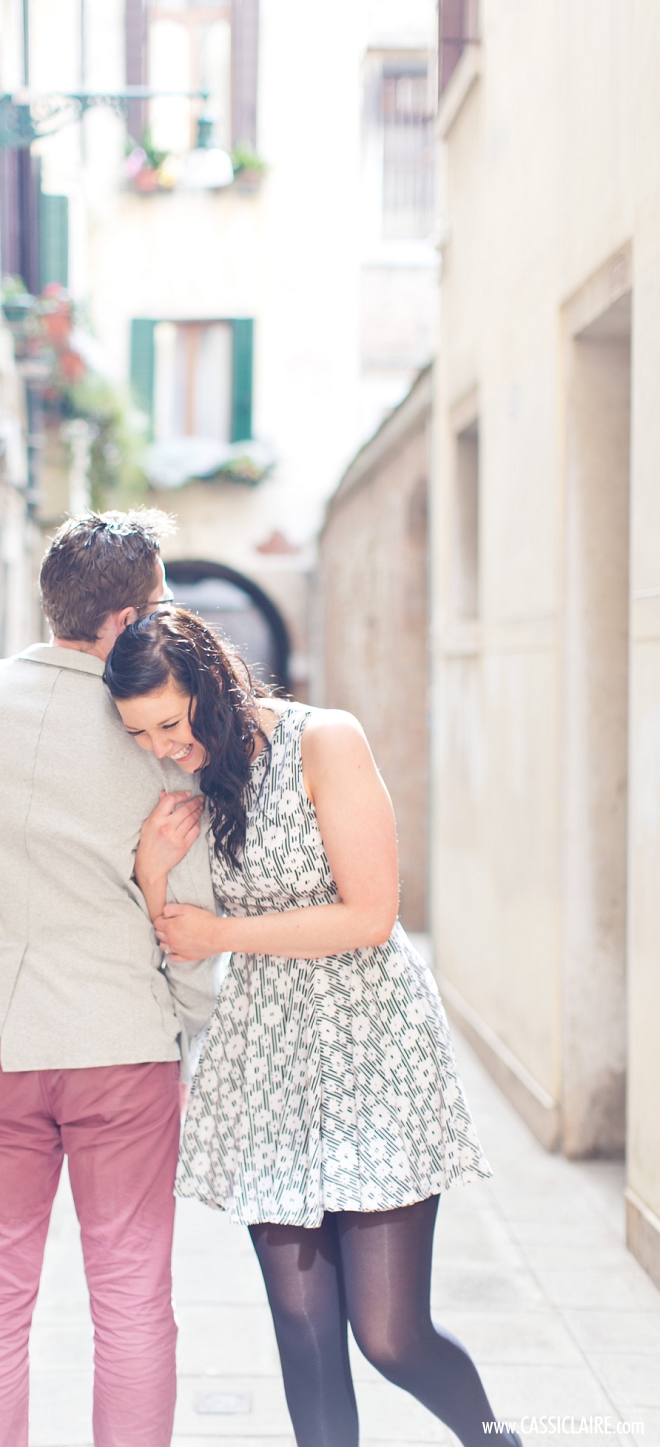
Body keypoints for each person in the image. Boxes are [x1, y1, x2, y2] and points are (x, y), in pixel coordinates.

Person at [103, 607, 522, 1447]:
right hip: (269, 1067)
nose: (159, 746)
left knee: (391, 1336)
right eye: (139, 733)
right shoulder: (194, 784)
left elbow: (370, 914)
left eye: (169, 723)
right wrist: (152, 876)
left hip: (373, 1050)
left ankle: (495, 1441)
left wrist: (222, 932)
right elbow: (180, 945)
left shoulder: (326, 740)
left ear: (212, 684)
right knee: (305, 1338)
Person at [0, 512, 220, 1447]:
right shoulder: (157, 731)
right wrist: (184, 1025)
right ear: (129, 613)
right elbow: (190, 925)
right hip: (119, 1044)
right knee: (132, 1296)